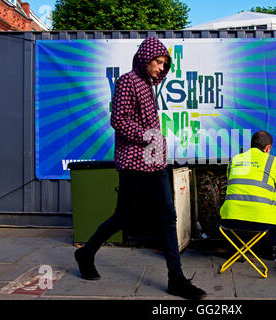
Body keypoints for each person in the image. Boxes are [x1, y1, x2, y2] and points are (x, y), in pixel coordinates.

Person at [74, 37, 206, 300]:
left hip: (154, 162)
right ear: (146, 58)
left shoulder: (147, 85)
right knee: (122, 218)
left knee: (168, 217)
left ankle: (175, 279)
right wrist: (148, 135)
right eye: (158, 62)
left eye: (164, 64)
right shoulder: (127, 81)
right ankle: (85, 253)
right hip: (134, 162)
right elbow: (118, 119)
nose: (161, 68)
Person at [219, 130, 276, 260]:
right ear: (268, 148)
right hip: (261, 222)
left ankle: (238, 248)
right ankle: (274, 248)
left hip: (230, 220)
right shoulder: (274, 161)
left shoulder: (235, 159)